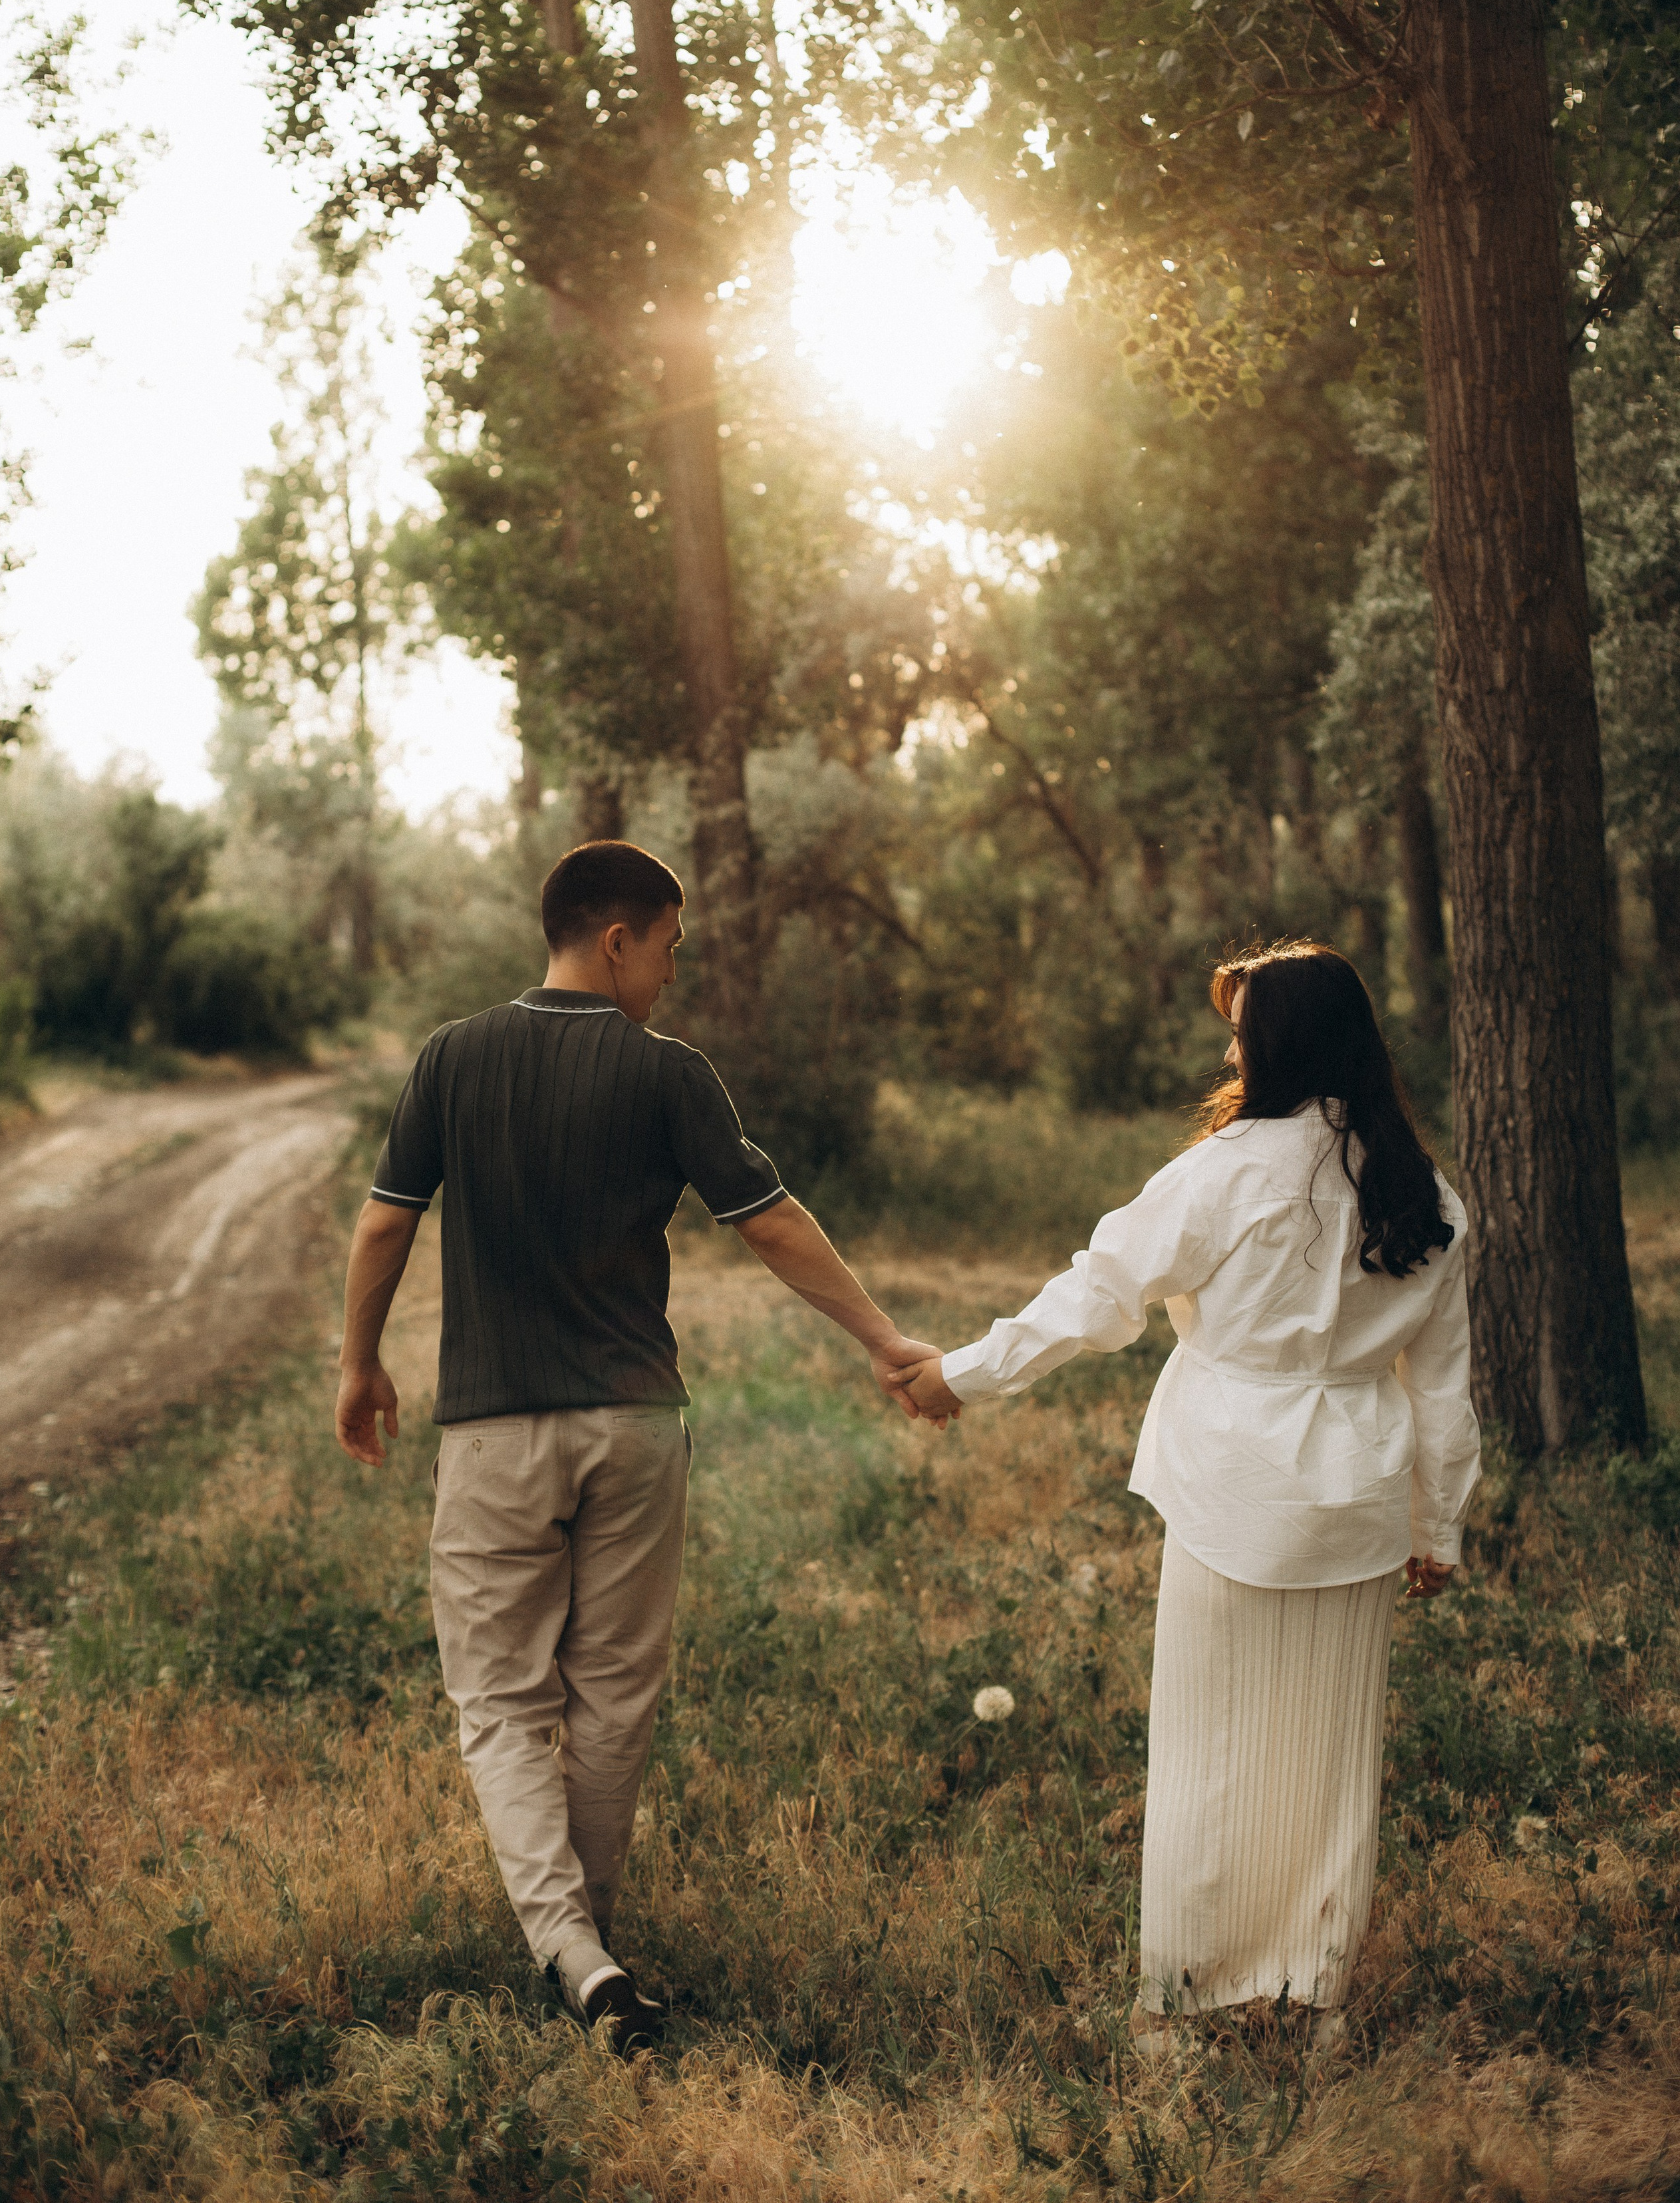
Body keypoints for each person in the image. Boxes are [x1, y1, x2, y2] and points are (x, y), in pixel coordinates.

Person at [333, 839, 940, 2055]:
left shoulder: (454, 1057)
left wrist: (359, 1364)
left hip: (496, 1430)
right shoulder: (668, 1074)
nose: (671, 972)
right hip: (635, 1427)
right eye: (668, 947)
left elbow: (384, 1229)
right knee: (612, 1698)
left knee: (502, 1704)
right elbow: (770, 1225)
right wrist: (882, 1340)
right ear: (616, 939)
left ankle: (570, 1953)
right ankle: (591, 1953)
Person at [896, 939, 1480, 2047]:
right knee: (1328, 1759)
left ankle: (1181, 1998)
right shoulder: (1427, 1194)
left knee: (1211, 1749)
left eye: (1240, 1030)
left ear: (1280, 1047)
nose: (1228, 1048)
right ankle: (1311, 1992)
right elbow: (1442, 1393)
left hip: (1232, 1489)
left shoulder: (1223, 1172)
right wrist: (1436, 1525)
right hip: (1357, 1498)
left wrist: (961, 1376)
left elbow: (1098, 1297)